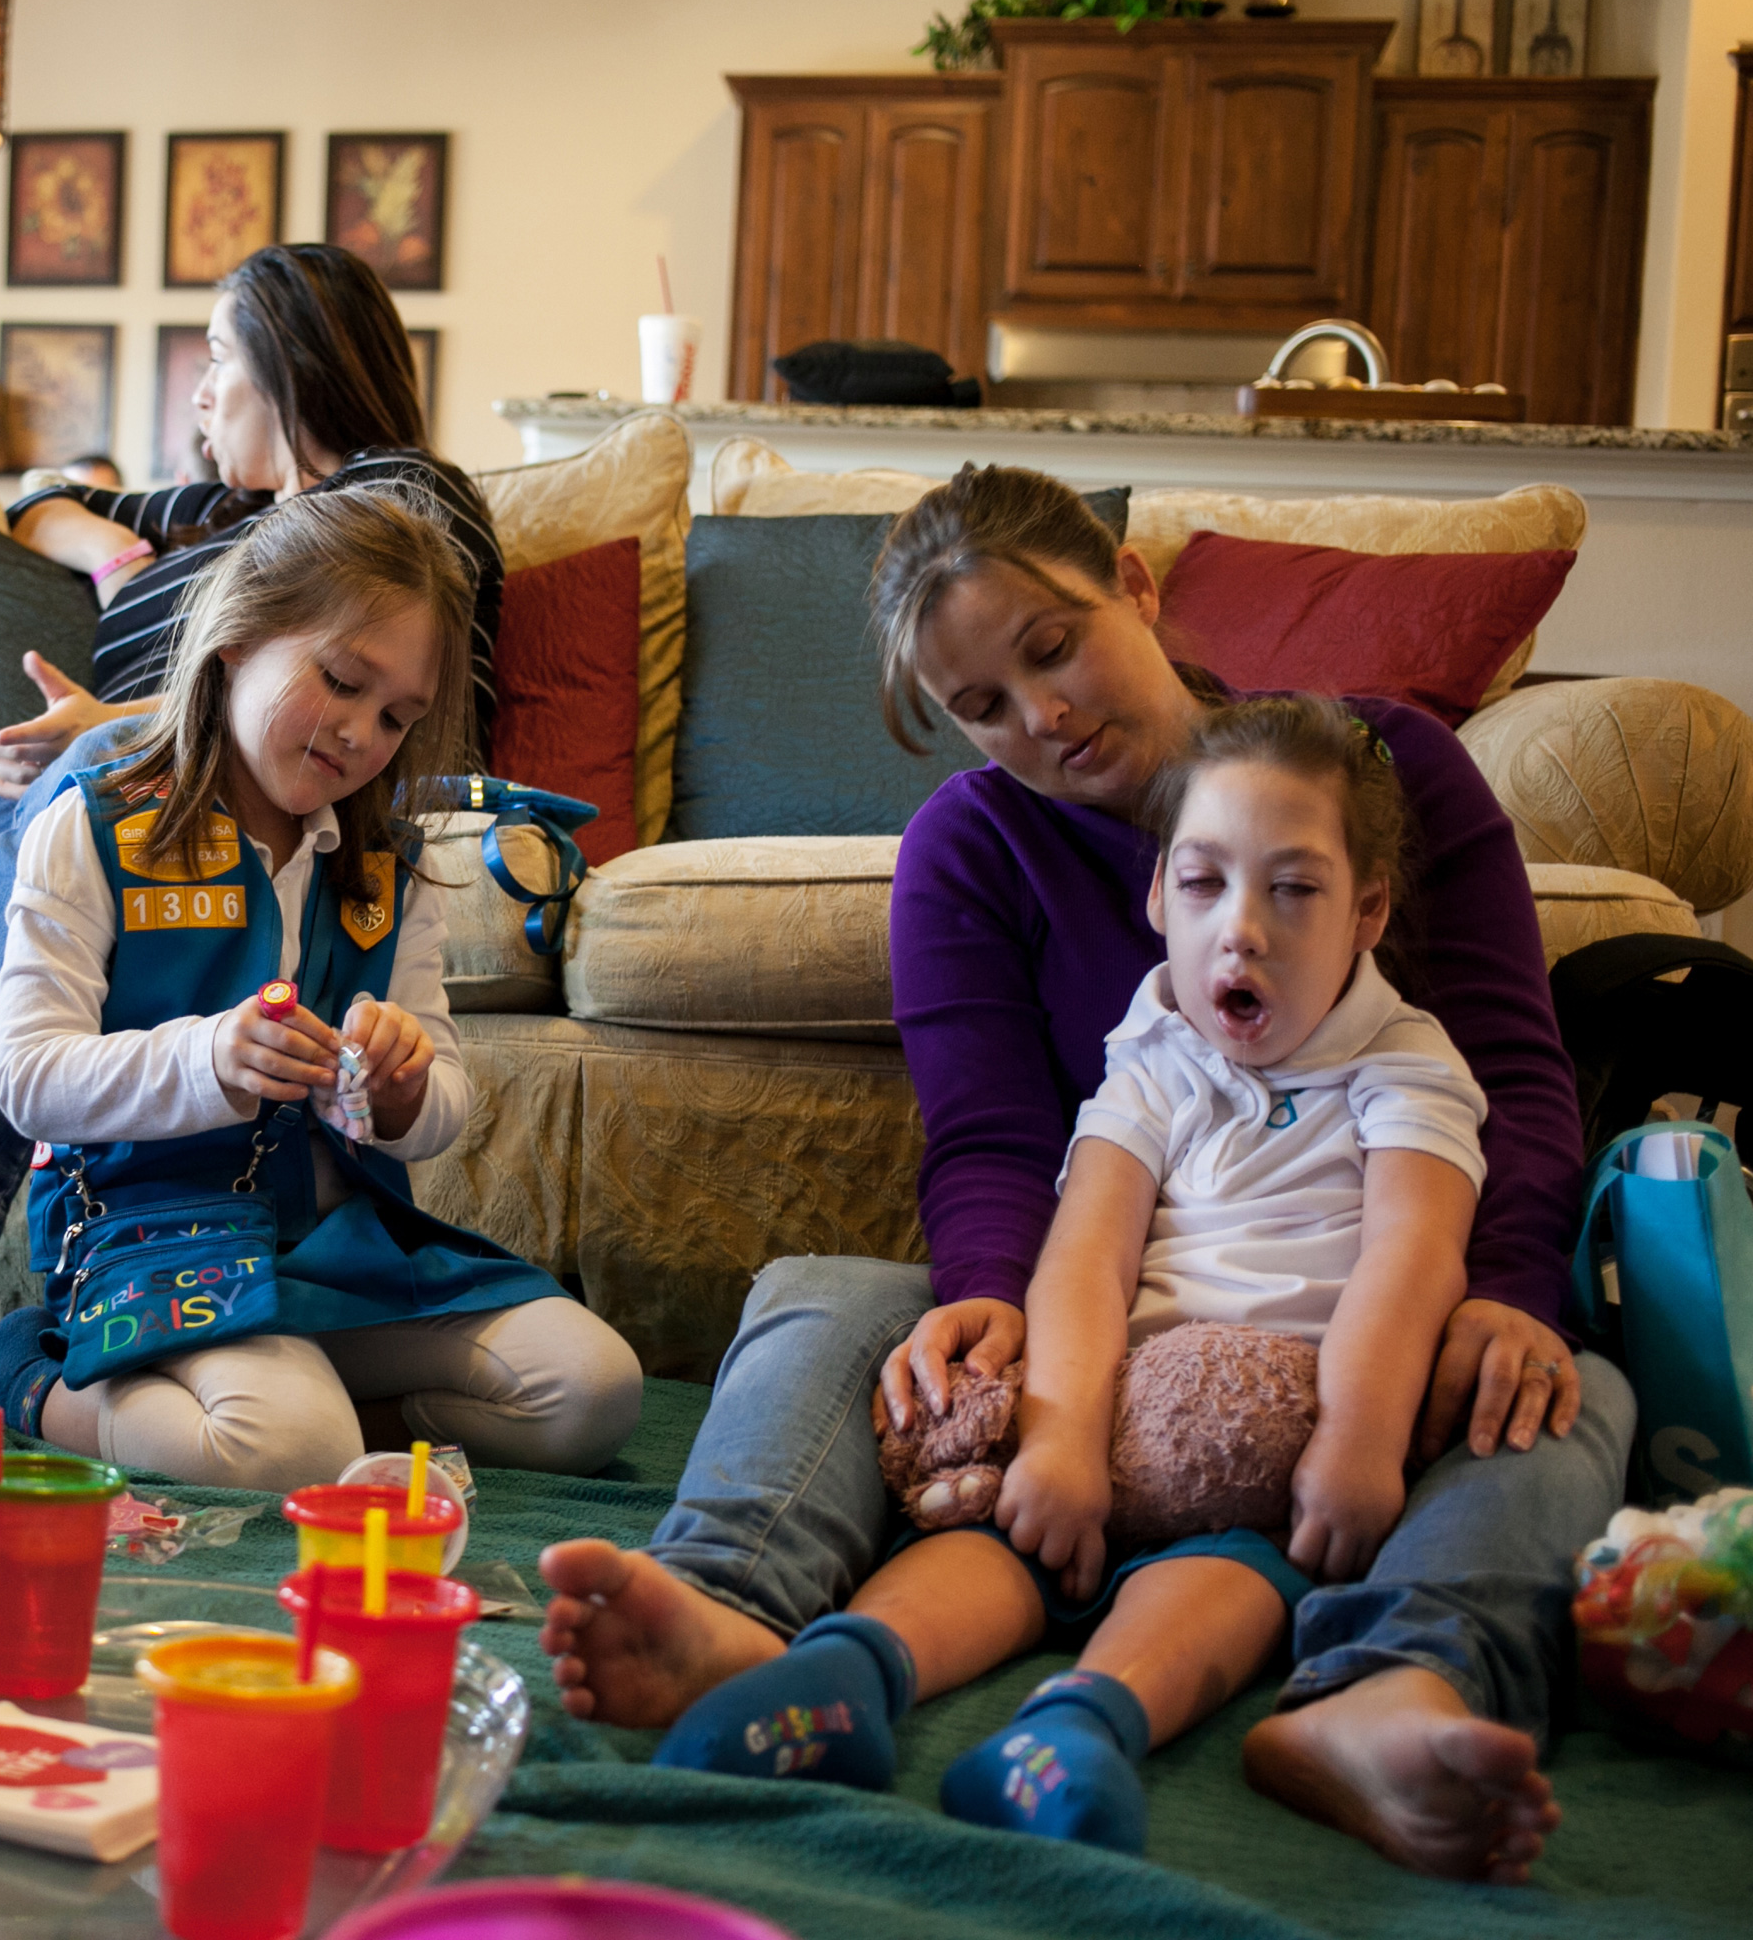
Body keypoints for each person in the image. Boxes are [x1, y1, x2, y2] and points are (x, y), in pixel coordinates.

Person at [538, 467, 1619, 1883]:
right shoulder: (972, 849)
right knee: (824, 1294)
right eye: (982, 705)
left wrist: (1506, 1288)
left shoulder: (1382, 772)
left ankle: (1390, 1686)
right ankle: (722, 1611)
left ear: (1135, 586)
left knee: (1571, 1390)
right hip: (1099, 1285)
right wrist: (996, 1302)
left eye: (1052, 649)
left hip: (1359, 1309)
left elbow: (1517, 1076)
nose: (1039, 716)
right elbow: (991, 1140)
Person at [652, 696, 1491, 1860]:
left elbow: (1412, 1259)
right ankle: (844, 1675)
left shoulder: (1409, 1066)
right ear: (1157, 898)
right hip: (1120, 1401)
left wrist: (1354, 1438)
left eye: (1293, 890)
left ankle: (1080, 1725)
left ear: (1368, 911)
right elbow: (1087, 1252)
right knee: (997, 1542)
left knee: (1239, 1586)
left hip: (1272, 1455)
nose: (1239, 931)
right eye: (1203, 885)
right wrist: (1058, 1440)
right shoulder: (1153, 1050)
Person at [0, 244, 502, 1323]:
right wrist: (121, 563)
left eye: (221, 354)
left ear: (289, 358)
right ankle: (54, 799)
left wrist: (117, 725)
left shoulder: (395, 501)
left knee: (88, 769)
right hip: (102, 802)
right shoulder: (220, 514)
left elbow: (438, 719)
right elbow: (41, 501)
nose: (202, 388)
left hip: (171, 778)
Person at [0, 487, 640, 1490]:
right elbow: (32, 1077)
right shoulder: (93, 825)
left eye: (397, 716)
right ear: (237, 639)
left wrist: (402, 1092)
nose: (360, 733)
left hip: (339, 1247)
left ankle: (335, 1417)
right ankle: (27, 1381)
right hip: (150, 1230)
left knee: (593, 1389)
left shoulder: (387, 866)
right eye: (342, 681)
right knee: (289, 1449)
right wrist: (208, 1057)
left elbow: (443, 1098)